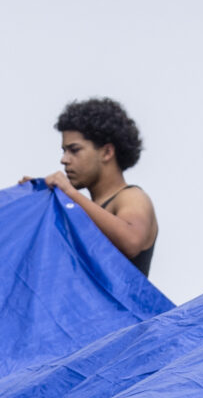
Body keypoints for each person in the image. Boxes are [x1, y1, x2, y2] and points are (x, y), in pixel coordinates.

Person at [30, 98, 158, 278]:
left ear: (107, 152)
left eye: (74, 150)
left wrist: (70, 193)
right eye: (64, 151)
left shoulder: (131, 197)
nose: (64, 160)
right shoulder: (86, 207)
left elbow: (131, 241)